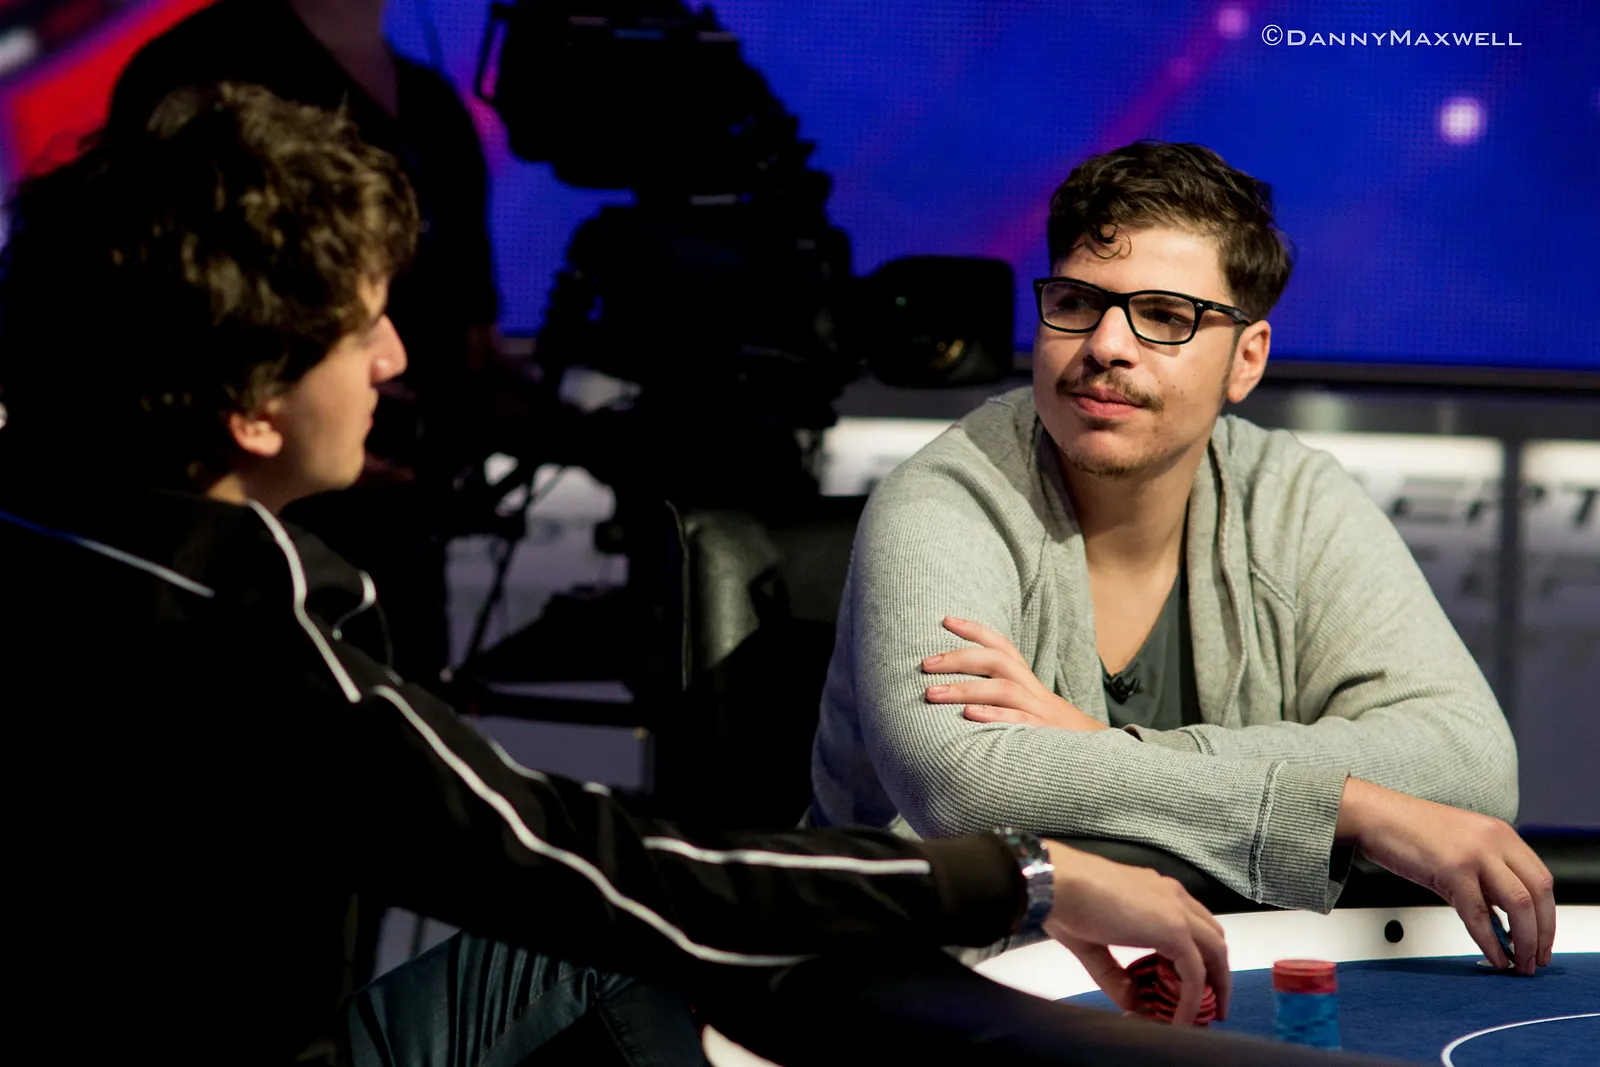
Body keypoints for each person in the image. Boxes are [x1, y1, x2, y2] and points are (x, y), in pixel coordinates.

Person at [0, 85, 1234, 1067]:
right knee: (657, 928)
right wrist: (1027, 875)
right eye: (360, 325)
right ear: (254, 404)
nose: (393, 358)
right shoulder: (241, 624)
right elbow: (592, 867)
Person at [808, 140, 1557, 975]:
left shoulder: (1293, 496)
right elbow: (962, 786)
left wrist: (1098, 744)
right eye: (1077, 302)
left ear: (1247, 359)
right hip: (916, 987)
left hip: (1198, 981)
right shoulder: (944, 496)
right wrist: (1348, 805)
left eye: (1165, 316)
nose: (1106, 344)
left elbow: (1469, 764)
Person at [107, 0, 514, 685]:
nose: (389, 356)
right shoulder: (193, 72)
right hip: (234, 558)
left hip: (406, 537)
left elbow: (474, 337)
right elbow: (143, 314)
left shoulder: (434, 107)